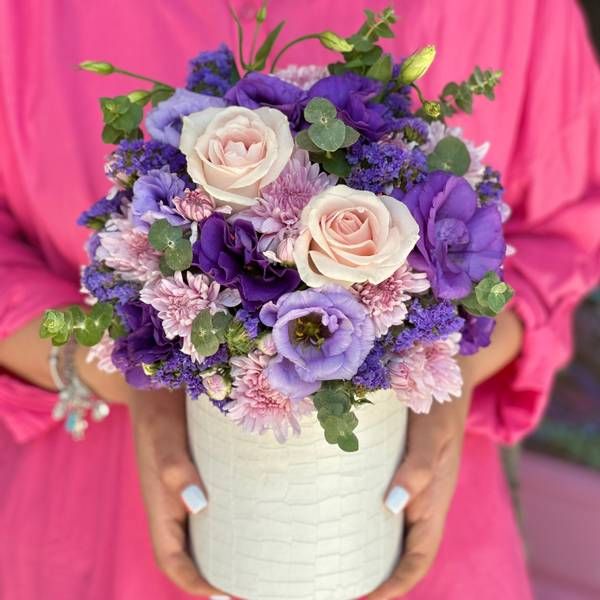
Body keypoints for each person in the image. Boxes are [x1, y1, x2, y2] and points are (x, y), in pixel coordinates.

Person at [0, 1, 598, 598]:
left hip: (409, 507)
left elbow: (563, 236)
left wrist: (447, 374)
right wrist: (123, 369)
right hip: (95, 519)